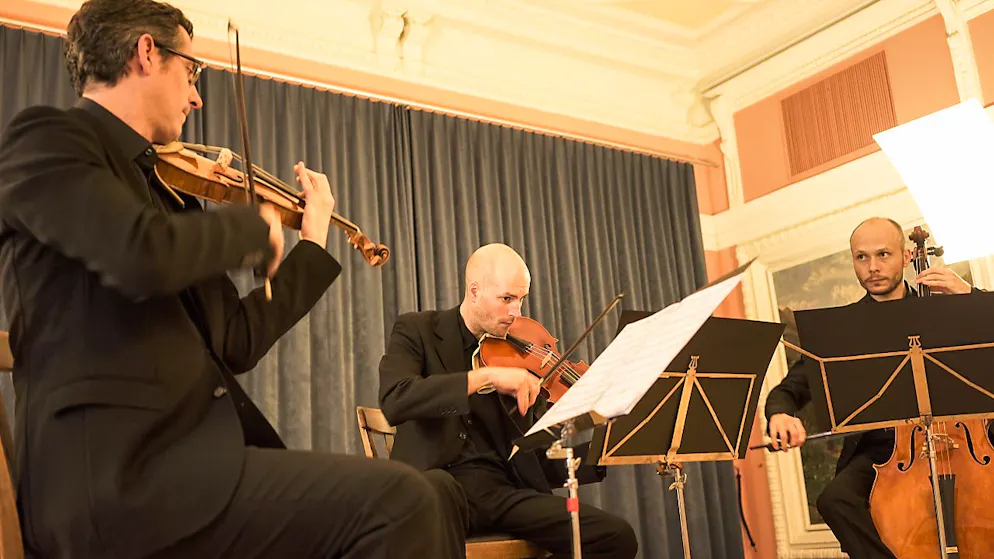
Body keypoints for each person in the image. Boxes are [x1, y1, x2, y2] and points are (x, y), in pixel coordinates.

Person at [0, 1, 448, 557]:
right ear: (146, 53)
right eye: (191, 73)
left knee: (417, 498)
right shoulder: (48, 139)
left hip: (186, 471)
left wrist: (311, 245)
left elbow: (235, 340)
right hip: (111, 481)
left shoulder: (169, 196)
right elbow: (139, 253)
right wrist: (253, 227)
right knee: (400, 502)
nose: (197, 97)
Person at [378, 242, 639, 559]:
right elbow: (396, 398)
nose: (516, 312)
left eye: (521, 300)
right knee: (436, 489)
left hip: (502, 493)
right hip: (440, 487)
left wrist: (607, 450)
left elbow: (538, 462)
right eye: (506, 299)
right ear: (474, 292)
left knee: (616, 537)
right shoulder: (418, 330)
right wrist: (484, 378)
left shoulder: (521, 357)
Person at [764, 216, 977, 559]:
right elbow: (789, 390)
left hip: (958, 441)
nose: (873, 267)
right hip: (885, 451)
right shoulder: (842, 329)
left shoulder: (944, 308)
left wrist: (971, 297)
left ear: (907, 256)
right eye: (861, 257)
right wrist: (780, 415)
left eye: (883, 254)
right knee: (835, 500)